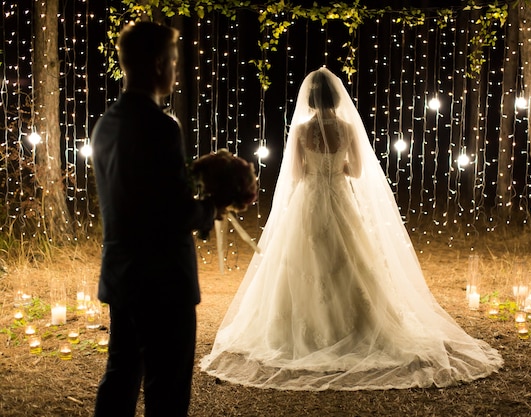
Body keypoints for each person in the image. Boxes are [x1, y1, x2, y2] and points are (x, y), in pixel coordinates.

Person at [200, 67, 503, 391]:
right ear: (335, 97)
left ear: (311, 100)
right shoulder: (346, 128)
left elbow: (298, 174)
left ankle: (304, 331)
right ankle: (357, 326)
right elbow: (357, 171)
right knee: (350, 258)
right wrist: (337, 167)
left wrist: (318, 171)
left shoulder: (302, 131)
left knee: (305, 258)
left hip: (310, 200)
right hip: (340, 196)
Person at [91, 22, 227, 416]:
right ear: (155, 64)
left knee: (120, 377)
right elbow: (174, 212)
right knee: (166, 389)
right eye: (172, 60)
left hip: (122, 273)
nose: (175, 69)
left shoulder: (105, 125)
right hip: (163, 280)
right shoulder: (161, 127)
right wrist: (213, 208)